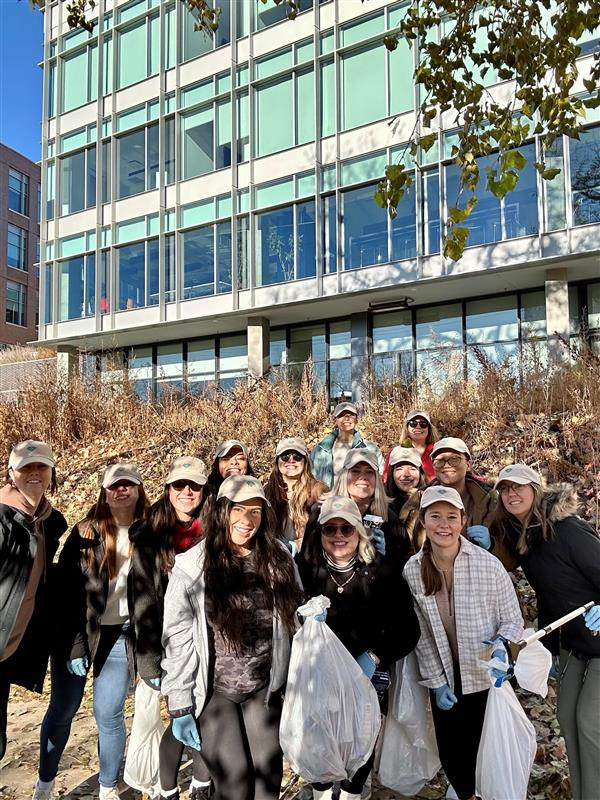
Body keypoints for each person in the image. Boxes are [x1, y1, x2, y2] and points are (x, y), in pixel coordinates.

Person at [161, 475, 303, 800]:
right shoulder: (192, 569)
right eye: (238, 509)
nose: (247, 520)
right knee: (235, 787)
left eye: (256, 511)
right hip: (215, 693)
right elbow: (178, 643)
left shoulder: (279, 559)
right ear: (222, 511)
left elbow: (294, 624)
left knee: (267, 786)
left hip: (263, 691)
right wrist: (180, 707)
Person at [34, 463, 147, 800]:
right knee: (64, 709)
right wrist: (75, 647)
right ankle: (45, 783)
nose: (121, 490)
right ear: (104, 492)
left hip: (120, 636)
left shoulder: (151, 532)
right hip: (77, 633)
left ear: (140, 491)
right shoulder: (86, 532)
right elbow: (66, 595)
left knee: (108, 712)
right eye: (114, 485)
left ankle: (108, 788)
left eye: (129, 484)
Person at [487, 464, 600, 800]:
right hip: (574, 644)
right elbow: (548, 595)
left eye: (519, 487)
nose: (512, 494)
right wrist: (548, 649)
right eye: (505, 489)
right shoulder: (526, 538)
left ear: (537, 490)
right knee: (567, 719)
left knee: (590, 724)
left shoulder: (569, 530)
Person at [296, 495, 420, 800]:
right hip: (319, 678)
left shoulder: (382, 572)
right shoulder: (305, 571)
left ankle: (352, 793)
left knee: (360, 743)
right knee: (321, 742)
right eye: (330, 529)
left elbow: (408, 629)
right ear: (320, 532)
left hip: (367, 676)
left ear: (360, 532)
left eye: (346, 529)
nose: (338, 536)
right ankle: (323, 792)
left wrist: (376, 655)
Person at [403, 486, 523, 800]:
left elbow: (513, 620)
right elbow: (422, 635)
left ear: (463, 521)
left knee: (481, 745)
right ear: (423, 521)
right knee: (452, 749)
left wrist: (502, 646)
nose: (444, 524)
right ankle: (463, 793)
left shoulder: (488, 565)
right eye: (435, 516)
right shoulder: (413, 571)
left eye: (451, 517)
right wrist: (437, 682)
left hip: (483, 672)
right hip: (444, 673)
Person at [130, 456, 213, 800]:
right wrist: (149, 663)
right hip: (165, 643)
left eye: (194, 486)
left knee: (202, 712)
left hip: (205, 639)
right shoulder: (150, 536)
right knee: (179, 713)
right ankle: (167, 787)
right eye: (180, 485)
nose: (187, 492)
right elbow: (144, 603)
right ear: (168, 490)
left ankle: (201, 781)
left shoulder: (214, 531)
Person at [0, 441, 67, 767]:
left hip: (8, 650)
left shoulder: (46, 522)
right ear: (12, 474)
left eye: (41, 467)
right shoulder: (2, 519)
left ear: (52, 473)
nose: (35, 474)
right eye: (26, 467)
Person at [304, 450, 411, 568]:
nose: (362, 477)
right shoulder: (321, 511)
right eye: (355, 471)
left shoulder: (389, 517)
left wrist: (387, 555)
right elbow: (307, 559)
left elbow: (403, 562)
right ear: (344, 476)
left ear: (377, 479)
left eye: (369, 472)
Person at [429, 437, 496, 552]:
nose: (446, 465)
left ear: (468, 465)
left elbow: (511, 557)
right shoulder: (419, 499)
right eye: (439, 461)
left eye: (454, 459)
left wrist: (492, 546)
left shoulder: (489, 500)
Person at [264, 437, 327, 550]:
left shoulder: (318, 490)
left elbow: (326, 528)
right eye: (285, 456)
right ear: (277, 461)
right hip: (274, 554)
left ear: (305, 462)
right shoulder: (267, 492)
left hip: (306, 555)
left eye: (297, 457)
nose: (291, 460)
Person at [310, 402, 383, 488]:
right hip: (328, 499)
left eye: (351, 415)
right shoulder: (321, 449)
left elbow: (381, 476)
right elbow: (310, 477)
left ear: (356, 419)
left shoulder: (370, 448)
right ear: (335, 420)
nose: (347, 418)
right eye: (341, 415)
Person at [384, 446, 426, 552]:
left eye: (412, 468)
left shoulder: (430, 499)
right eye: (399, 469)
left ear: (420, 472)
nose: (406, 474)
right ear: (391, 472)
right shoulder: (380, 501)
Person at [382, 410, 440, 483]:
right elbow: (386, 479)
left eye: (423, 424)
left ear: (429, 428)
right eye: (413, 423)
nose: (418, 427)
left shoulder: (437, 451)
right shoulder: (395, 452)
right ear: (407, 428)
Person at [202, 440, 255, 519]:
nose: (234, 462)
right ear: (217, 464)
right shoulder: (204, 495)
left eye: (240, 458)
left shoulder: (256, 494)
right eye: (226, 458)